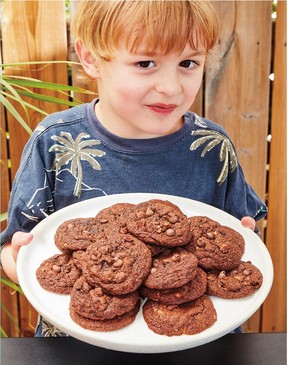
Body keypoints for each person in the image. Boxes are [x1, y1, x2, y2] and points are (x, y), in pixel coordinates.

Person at [0, 0, 267, 336]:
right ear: (91, 59)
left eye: (188, 62)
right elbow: (14, 251)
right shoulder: (55, 142)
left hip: (200, 345)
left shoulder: (211, 145)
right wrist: (17, 259)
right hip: (76, 346)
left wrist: (244, 232)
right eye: (145, 63)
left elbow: (242, 240)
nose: (170, 86)